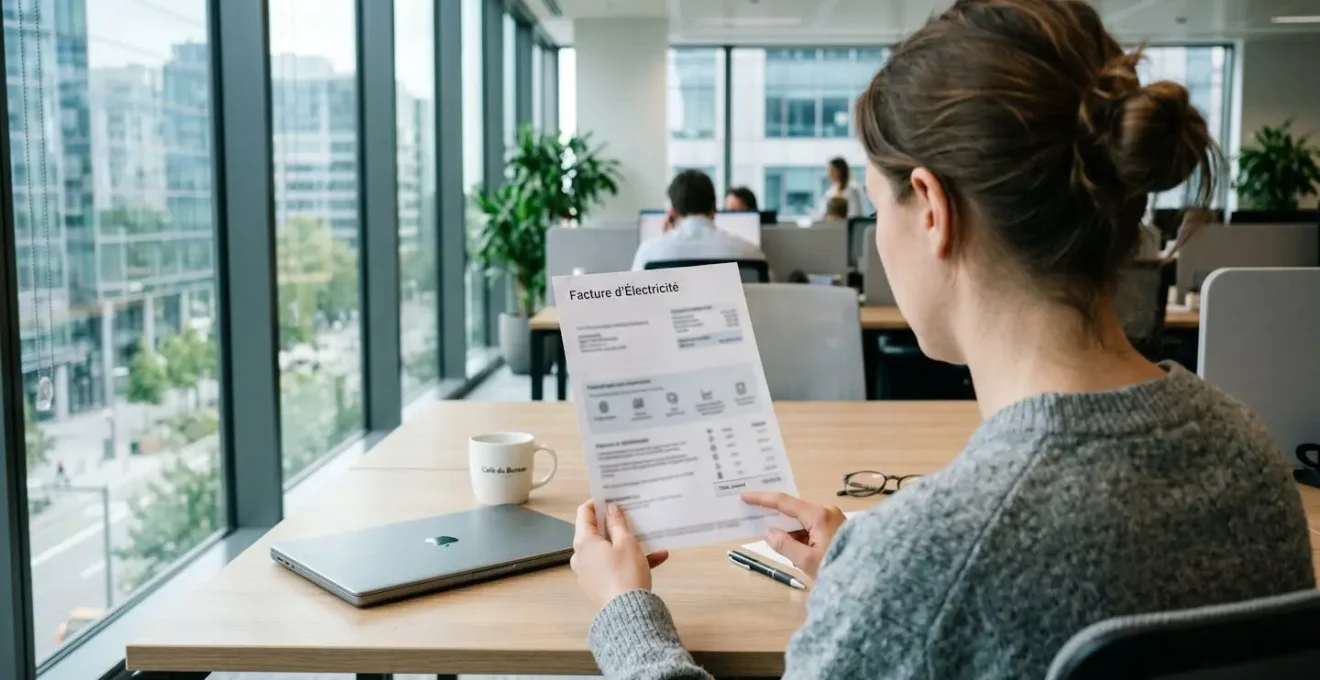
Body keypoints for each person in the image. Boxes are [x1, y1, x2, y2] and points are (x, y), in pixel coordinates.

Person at [572, 1, 1315, 678]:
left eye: (877, 202)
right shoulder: (1249, 454)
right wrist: (863, 581)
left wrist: (625, 616)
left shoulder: (929, 557)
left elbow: (956, 585)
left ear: (930, 207)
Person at [631, 170, 765, 271]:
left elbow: (635, 303)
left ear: (673, 211)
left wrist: (663, 239)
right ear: (714, 207)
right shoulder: (752, 253)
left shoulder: (650, 253)